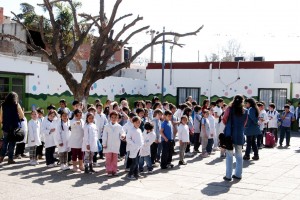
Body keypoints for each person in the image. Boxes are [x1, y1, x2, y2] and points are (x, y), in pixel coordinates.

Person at [222, 94, 247, 181]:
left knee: (229, 155)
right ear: (242, 101)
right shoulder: (245, 111)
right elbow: (245, 123)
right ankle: (238, 174)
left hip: (230, 134)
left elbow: (224, 119)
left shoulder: (229, 109)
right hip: (240, 134)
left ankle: (228, 176)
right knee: (239, 155)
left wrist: (228, 125)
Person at [0, 92, 25, 164]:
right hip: (14, 127)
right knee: (12, 143)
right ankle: (10, 159)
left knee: (5, 142)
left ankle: (1, 157)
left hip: (5, 127)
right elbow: (22, 116)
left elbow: (1, 118)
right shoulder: (16, 104)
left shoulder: (3, 105)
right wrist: (18, 118)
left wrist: (3, 123)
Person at [102, 111, 125, 176]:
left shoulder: (119, 126)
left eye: (115, 117)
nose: (114, 119)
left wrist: (123, 136)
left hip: (116, 145)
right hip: (108, 145)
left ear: (117, 118)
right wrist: (104, 143)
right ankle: (109, 171)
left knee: (115, 159)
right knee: (108, 158)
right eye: (112, 117)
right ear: (110, 118)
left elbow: (122, 133)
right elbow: (104, 136)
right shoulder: (106, 126)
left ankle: (114, 170)